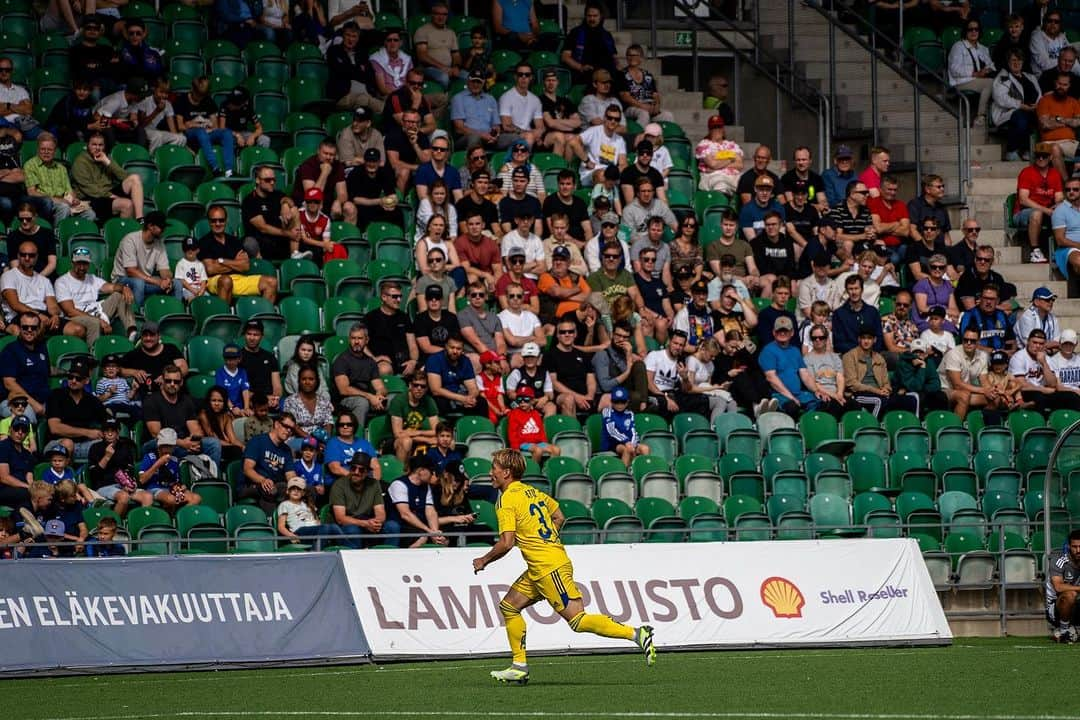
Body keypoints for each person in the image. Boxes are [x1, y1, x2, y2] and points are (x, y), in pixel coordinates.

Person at [473, 446, 656, 684]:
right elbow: (559, 516)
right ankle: (519, 666)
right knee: (509, 606)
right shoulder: (533, 493)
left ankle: (636, 633)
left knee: (577, 620)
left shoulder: (506, 499)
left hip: (550, 568)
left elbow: (506, 543)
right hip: (540, 568)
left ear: (506, 473)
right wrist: (547, 538)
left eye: (494, 469)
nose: (491, 473)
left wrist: (483, 560)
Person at [143, 364, 222, 466]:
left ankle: (210, 478)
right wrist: (182, 443)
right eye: (168, 381)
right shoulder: (151, 401)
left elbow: (195, 430)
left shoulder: (186, 400)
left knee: (213, 444)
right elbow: (156, 433)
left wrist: (194, 442)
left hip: (184, 443)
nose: (172, 384)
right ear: (162, 380)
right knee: (166, 444)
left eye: (176, 382)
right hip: (159, 443)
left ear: (181, 382)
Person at [110, 211, 181, 307]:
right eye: (161, 227)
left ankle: (175, 312)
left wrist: (168, 280)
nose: (163, 230)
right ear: (150, 226)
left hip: (147, 281)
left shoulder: (159, 243)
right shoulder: (130, 239)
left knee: (176, 283)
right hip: (123, 280)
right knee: (139, 283)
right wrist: (157, 281)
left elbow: (164, 269)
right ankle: (136, 317)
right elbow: (131, 271)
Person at [69, 132, 144, 220]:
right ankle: (121, 232)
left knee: (134, 178)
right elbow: (88, 188)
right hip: (92, 197)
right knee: (127, 204)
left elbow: (124, 176)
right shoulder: (80, 162)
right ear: (88, 145)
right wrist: (109, 195)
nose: (97, 148)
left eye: (100, 145)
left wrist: (107, 162)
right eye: (94, 145)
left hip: (108, 191)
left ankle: (140, 218)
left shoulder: (105, 157)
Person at [45, 357, 106, 460]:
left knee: (109, 446)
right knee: (68, 444)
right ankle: (67, 476)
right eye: (70, 377)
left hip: (83, 444)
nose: (73, 381)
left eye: (78, 379)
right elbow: (54, 428)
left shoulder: (91, 400)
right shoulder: (56, 395)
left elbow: (107, 419)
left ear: (86, 381)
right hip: (57, 444)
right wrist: (87, 432)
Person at [330, 452, 395, 548]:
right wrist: (365, 524)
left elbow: (380, 512)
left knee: (392, 527)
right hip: (350, 523)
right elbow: (340, 518)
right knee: (352, 530)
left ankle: (389, 559)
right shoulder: (339, 485)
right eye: (353, 468)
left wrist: (375, 523)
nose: (356, 472)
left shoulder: (374, 484)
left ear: (367, 472)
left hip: (368, 520)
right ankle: (354, 561)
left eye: (361, 470)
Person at [1013, 143, 1063, 264]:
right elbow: (1023, 199)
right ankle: (1034, 251)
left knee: (1065, 211)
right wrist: (1046, 210)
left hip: (1047, 211)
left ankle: (1060, 250)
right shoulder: (1027, 172)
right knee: (1037, 213)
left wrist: (1058, 206)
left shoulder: (1055, 174)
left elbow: (1059, 198)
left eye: (1044, 156)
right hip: (1023, 213)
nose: (1041, 159)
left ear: (1050, 157)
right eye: (1038, 156)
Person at [239, 412, 297, 513]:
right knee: (270, 489)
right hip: (252, 484)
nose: (288, 431)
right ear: (277, 424)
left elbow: (290, 475)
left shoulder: (287, 450)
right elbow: (247, 469)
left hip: (275, 485)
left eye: (291, 429)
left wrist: (298, 486)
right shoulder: (257, 441)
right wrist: (263, 480)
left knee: (304, 491)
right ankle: (271, 523)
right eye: (286, 426)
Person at [0, 241, 61, 336]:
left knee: (77, 329)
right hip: (20, 314)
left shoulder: (44, 280)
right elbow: (15, 305)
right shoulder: (8, 276)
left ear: (37, 257)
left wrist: (55, 316)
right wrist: (38, 315)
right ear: (18, 256)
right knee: (36, 325)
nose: (27, 258)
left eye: (31, 255)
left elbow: (52, 304)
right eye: (23, 255)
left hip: (43, 314)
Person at [137, 428, 201, 512]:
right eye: (164, 446)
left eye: (170, 446)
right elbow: (142, 480)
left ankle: (179, 517)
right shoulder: (150, 457)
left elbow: (176, 481)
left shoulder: (174, 460)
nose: (167, 449)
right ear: (159, 445)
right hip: (154, 488)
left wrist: (181, 487)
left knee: (196, 498)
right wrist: (158, 464)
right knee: (171, 499)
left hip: (170, 489)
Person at [993, 49, 1041, 161]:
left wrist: (1037, 105)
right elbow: (1000, 98)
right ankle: (1011, 150)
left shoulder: (1030, 77)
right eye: (1013, 60)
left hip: (1032, 110)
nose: (1016, 63)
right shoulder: (1003, 77)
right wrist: (1020, 105)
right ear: (1008, 62)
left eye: (1019, 60)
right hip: (1011, 113)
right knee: (1021, 117)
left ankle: (1031, 151)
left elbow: (1039, 94)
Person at [120, 322, 187, 400]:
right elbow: (119, 369)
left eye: (152, 335)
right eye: (145, 335)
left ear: (159, 336)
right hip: (146, 399)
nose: (148, 338)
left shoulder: (170, 349)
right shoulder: (134, 354)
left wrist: (167, 378)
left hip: (172, 396)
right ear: (141, 337)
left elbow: (184, 367)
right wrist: (133, 372)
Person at [427, 335, 489, 418]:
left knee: (481, 402)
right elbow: (435, 390)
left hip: (460, 394)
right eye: (452, 348)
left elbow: (473, 388)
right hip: (443, 395)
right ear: (446, 346)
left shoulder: (465, 361)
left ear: (462, 349)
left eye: (458, 349)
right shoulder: (434, 359)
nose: (455, 351)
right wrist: (462, 399)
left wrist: (470, 398)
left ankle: (480, 429)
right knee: (440, 402)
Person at [243, 166, 295, 261]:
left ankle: (295, 255)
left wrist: (285, 204)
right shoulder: (250, 201)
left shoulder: (277, 194)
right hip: (262, 243)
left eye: (274, 180)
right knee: (249, 242)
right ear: (258, 180)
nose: (272, 182)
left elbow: (290, 201)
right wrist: (288, 234)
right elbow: (263, 228)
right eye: (268, 180)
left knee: (294, 210)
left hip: (280, 241)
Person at [277, 478, 345, 550]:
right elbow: (281, 526)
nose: (296, 491)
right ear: (288, 491)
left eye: (299, 489)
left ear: (303, 493)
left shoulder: (307, 504)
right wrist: (291, 536)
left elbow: (317, 521)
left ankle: (349, 549)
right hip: (300, 532)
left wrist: (320, 526)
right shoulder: (285, 504)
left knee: (333, 527)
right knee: (326, 528)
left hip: (315, 531)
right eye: (293, 489)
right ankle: (315, 552)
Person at [947, 19, 996, 121]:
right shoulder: (958, 46)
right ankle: (980, 116)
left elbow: (991, 65)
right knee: (990, 83)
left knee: (998, 81)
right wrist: (974, 74)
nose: (974, 32)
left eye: (976, 29)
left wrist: (988, 70)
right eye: (970, 29)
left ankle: (996, 119)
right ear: (966, 31)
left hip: (978, 80)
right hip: (962, 82)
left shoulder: (983, 48)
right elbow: (954, 69)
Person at [1036, 72, 1080, 180]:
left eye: (1065, 85)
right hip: (1048, 143)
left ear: (1069, 86)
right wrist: (1068, 121)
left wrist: (1057, 119)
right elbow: (1045, 124)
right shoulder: (1044, 101)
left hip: (1070, 143)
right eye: (1059, 84)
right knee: (1055, 148)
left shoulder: (1073, 102)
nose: (1061, 87)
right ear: (1055, 83)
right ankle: (1066, 184)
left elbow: (1078, 122)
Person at [571, 104, 627, 187]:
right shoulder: (594, 131)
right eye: (610, 118)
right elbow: (573, 142)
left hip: (611, 175)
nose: (613, 121)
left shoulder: (620, 140)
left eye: (616, 119)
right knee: (601, 175)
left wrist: (613, 173)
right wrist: (587, 161)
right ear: (604, 118)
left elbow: (623, 164)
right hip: (591, 173)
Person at [960, 284, 1016, 354]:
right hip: (977, 355)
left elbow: (1011, 340)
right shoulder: (970, 316)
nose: (988, 302)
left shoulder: (1001, 315)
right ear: (980, 299)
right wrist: (994, 352)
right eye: (986, 298)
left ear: (998, 301)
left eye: (992, 299)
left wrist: (1008, 353)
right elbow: (968, 342)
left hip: (1002, 358)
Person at [1046, 529, 1080, 642]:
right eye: (1074, 547)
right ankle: (1063, 630)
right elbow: (1058, 587)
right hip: (1056, 609)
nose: (1078, 550)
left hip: (1076, 606)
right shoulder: (1059, 561)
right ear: (1069, 546)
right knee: (1070, 594)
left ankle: (1075, 629)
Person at [1016, 286, 1061, 351]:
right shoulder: (1027, 316)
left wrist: (1049, 346)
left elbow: (1057, 342)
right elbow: (1030, 344)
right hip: (1025, 354)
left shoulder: (1053, 318)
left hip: (1046, 352)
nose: (1051, 302)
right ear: (1036, 301)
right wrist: (1050, 345)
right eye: (1047, 300)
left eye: (1052, 299)